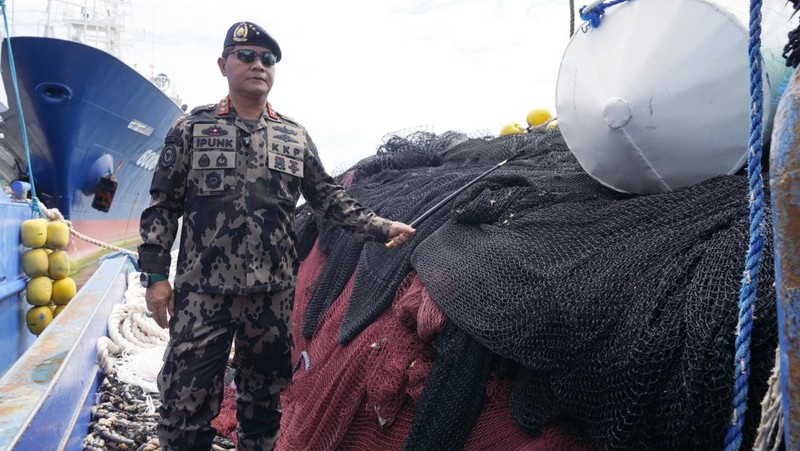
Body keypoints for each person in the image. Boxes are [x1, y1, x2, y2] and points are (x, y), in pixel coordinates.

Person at [137, 21, 415, 451]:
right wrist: (155, 279)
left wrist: (381, 229)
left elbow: (329, 199)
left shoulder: (293, 136)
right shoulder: (192, 130)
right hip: (202, 297)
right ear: (223, 64)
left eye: (267, 59)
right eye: (246, 56)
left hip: (270, 299)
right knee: (184, 408)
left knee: (263, 407)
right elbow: (162, 206)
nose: (258, 65)